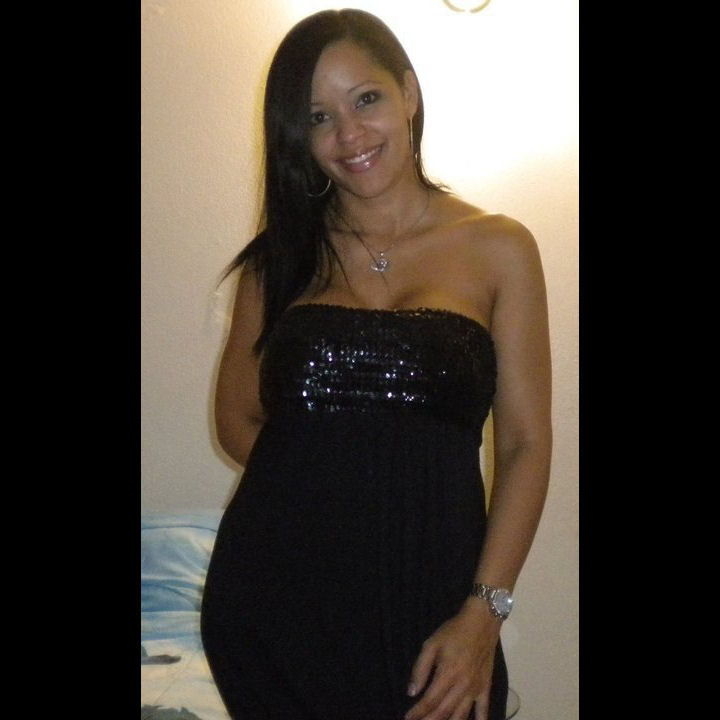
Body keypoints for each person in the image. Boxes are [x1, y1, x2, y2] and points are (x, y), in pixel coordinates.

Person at [200, 8, 552, 720]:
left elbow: (524, 444)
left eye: (366, 99)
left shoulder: (500, 247)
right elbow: (236, 421)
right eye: (319, 117)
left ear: (409, 94)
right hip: (278, 603)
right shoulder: (278, 262)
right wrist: (342, 506)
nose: (350, 134)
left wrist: (484, 613)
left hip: (437, 601)